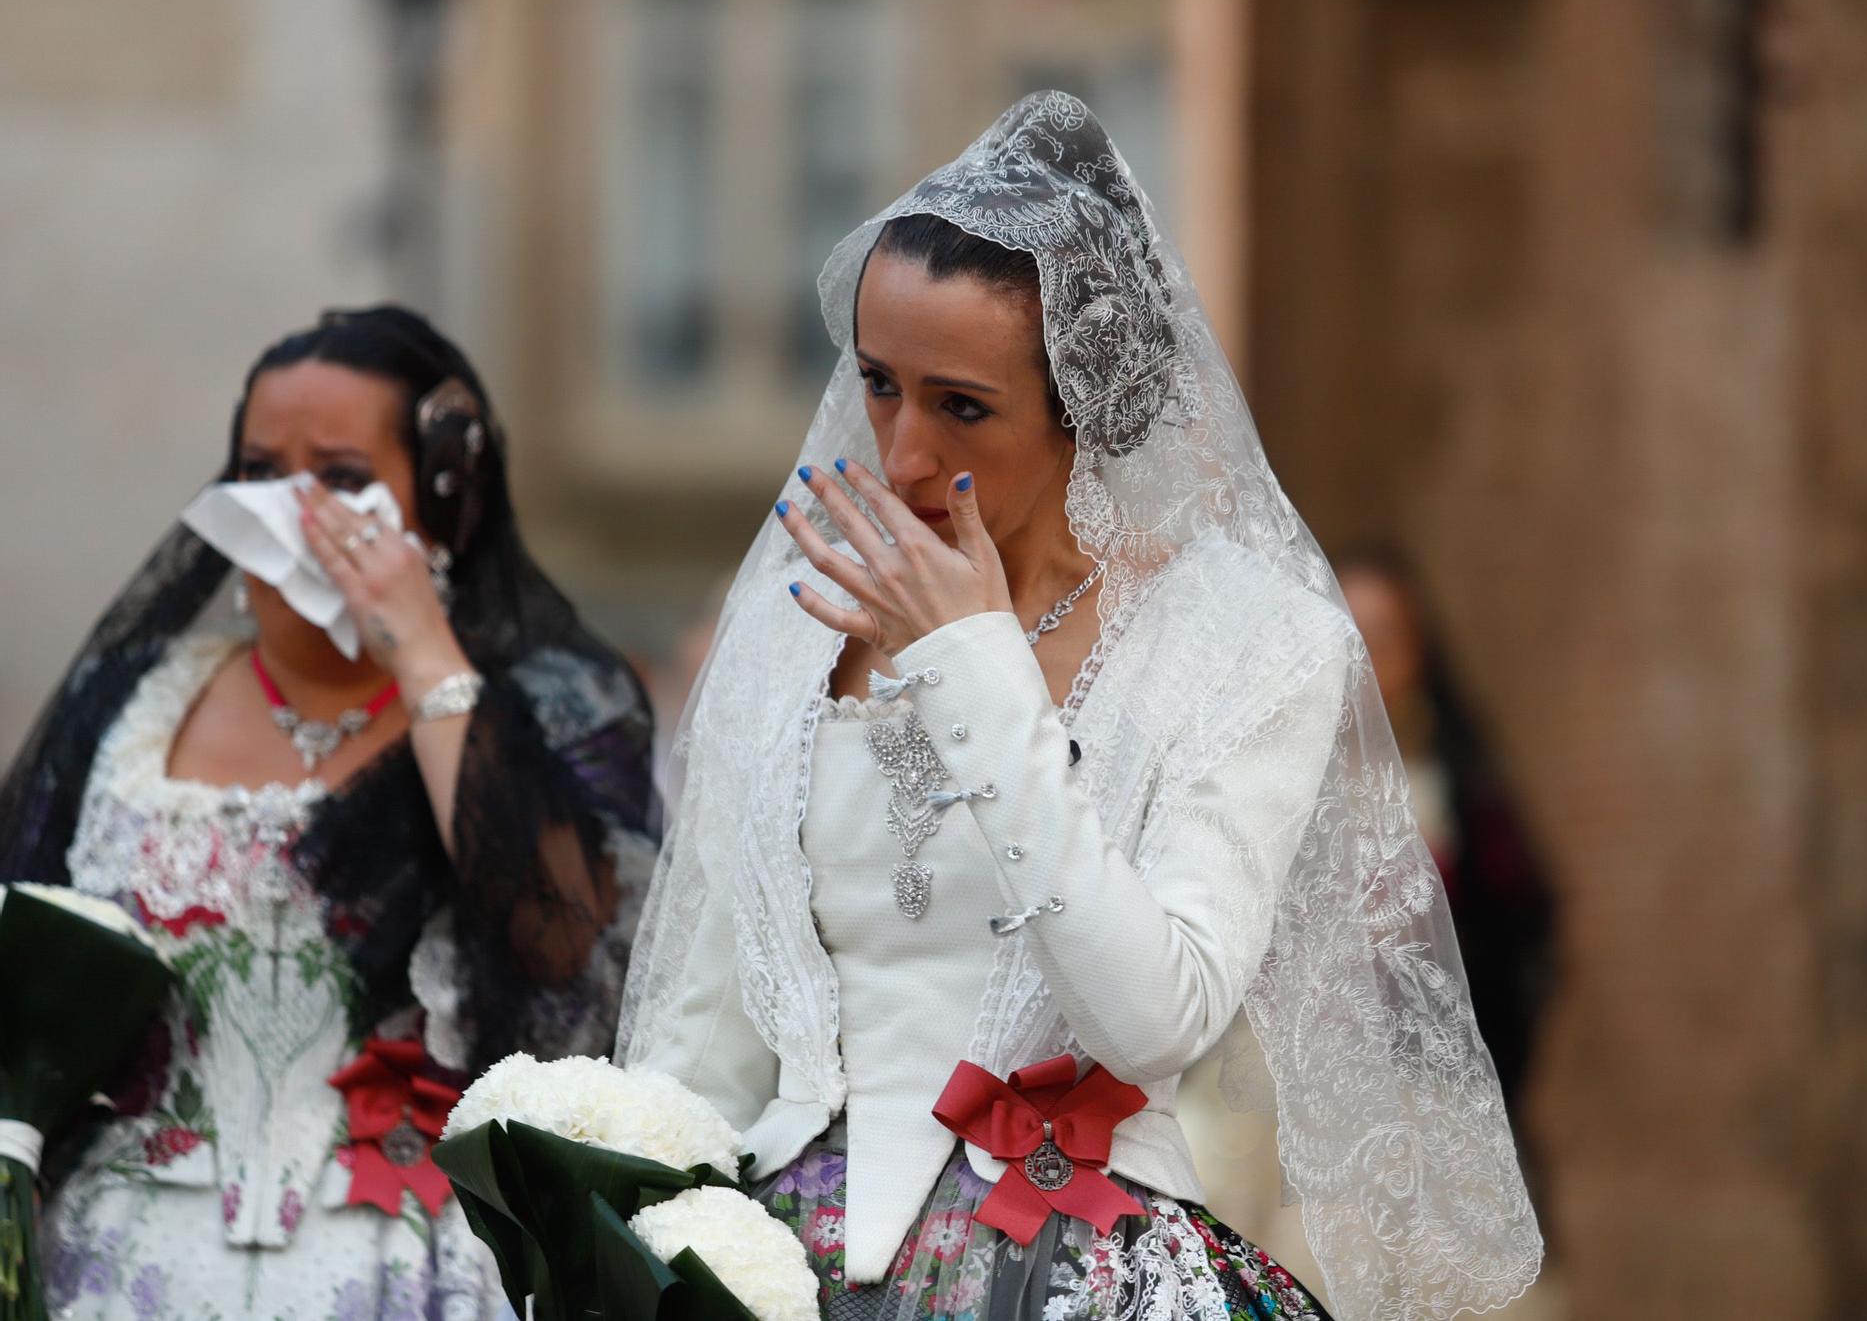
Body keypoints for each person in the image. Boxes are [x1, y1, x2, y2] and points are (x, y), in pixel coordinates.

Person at [618, 94, 1541, 1321]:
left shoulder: (1250, 643)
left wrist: (969, 664)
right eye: (880, 385)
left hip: (1076, 1269)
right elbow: (712, 1023)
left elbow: (1153, 1012)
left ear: (1086, 407)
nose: (898, 453)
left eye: (960, 406)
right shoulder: (799, 613)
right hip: (787, 1262)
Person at [0, 306, 658, 1318]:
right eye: (260, 474)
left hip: (398, 1264)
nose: (292, 514)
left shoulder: (541, 714)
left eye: (342, 479)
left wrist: (428, 659)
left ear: (442, 502)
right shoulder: (130, 702)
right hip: (118, 1260)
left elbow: (568, 972)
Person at [1332, 544, 1557, 1135]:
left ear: (1418, 651)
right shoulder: (1274, 791)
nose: (1363, 666)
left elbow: (1517, 932)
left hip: (1428, 1089)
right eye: (1344, 638)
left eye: (1380, 640)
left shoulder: (1458, 793)